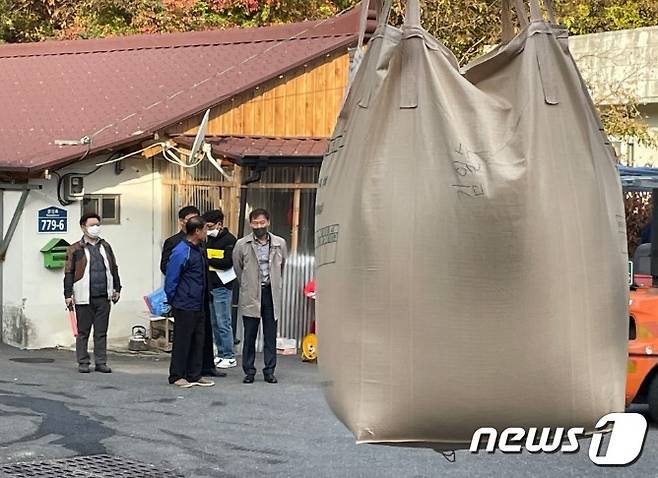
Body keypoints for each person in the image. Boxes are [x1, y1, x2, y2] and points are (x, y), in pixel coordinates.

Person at [161, 205, 224, 378]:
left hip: (199, 301)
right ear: (196, 230)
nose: (207, 231)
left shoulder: (199, 248)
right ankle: (177, 375)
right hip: (185, 302)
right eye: (205, 228)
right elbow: (171, 278)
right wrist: (175, 300)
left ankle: (195, 374)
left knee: (199, 339)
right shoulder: (181, 249)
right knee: (183, 341)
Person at [233, 208, 288, 384]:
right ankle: (249, 371)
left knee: (270, 335)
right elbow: (238, 268)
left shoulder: (280, 243)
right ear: (250, 224)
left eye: (262, 222)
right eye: (255, 223)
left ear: (268, 222)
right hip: (251, 294)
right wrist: (248, 285)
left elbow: (282, 267)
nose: (259, 226)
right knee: (250, 335)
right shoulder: (242, 244)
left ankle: (269, 371)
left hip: (271, 293)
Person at [64, 213, 121, 374]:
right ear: (83, 227)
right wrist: (68, 294)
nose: (96, 228)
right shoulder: (75, 249)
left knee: (101, 332)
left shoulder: (106, 246)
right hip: (84, 297)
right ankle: (83, 362)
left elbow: (113, 268)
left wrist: (117, 288)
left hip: (103, 296)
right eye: (92, 225)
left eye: (98, 224)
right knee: (83, 332)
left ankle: (101, 362)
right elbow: (69, 272)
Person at [202, 209, 238, 369]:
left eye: (210, 226)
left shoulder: (230, 240)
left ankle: (229, 355)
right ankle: (221, 352)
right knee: (214, 322)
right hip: (209, 285)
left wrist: (207, 260)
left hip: (223, 286)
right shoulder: (206, 240)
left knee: (223, 321)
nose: (208, 230)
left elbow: (227, 262)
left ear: (219, 224)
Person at [160, 206, 200, 275]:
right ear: (181, 221)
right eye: (191, 220)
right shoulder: (172, 242)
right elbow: (165, 267)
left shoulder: (201, 240)